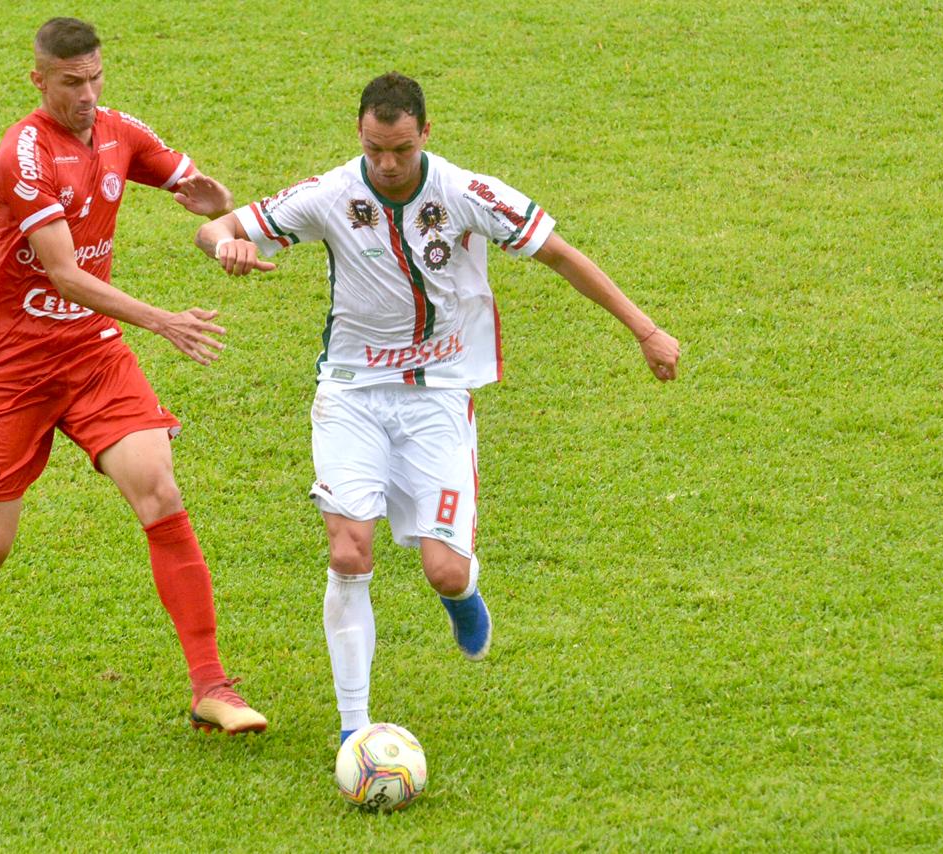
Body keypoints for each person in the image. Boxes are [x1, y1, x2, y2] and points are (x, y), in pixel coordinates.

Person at [194, 72, 679, 742]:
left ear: (426, 132)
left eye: (401, 149)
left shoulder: (466, 192)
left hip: (437, 397)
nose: (388, 164)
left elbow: (561, 256)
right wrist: (226, 244)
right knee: (348, 552)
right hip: (351, 394)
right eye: (374, 149)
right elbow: (219, 227)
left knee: (444, 570)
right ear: (359, 135)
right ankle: (355, 731)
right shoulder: (331, 193)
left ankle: (463, 594)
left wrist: (645, 330)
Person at [0, 17, 266, 735]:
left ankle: (212, 686)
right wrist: (162, 320)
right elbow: (65, 274)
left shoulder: (117, 130)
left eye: (96, 77)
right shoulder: (22, 155)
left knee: (159, 489)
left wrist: (218, 204)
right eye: (72, 82)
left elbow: (188, 181)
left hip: (93, 353)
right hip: (13, 368)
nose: (88, 94)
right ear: (39, 79)